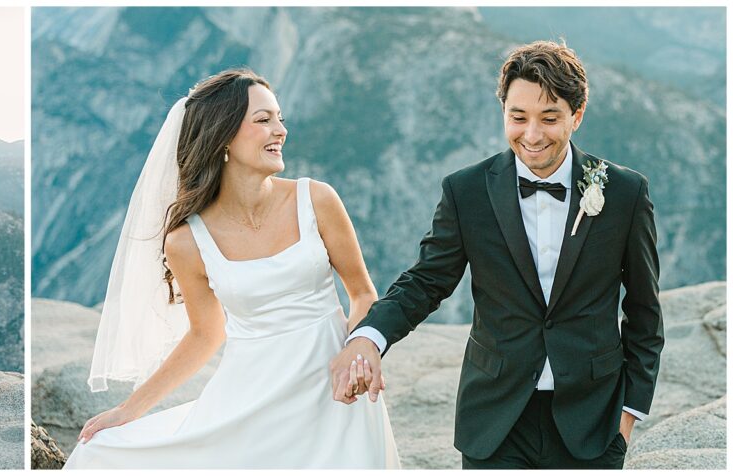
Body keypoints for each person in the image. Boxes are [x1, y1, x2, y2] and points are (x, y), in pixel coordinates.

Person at [332, 40, 663, 469]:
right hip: (494, 421)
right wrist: (368, 338)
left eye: (549, 118)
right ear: (503, 112)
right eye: (518, 117)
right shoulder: (465, 191)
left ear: (576, 116)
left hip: (593, 419)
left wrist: (628, 414)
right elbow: (426, 281)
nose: (532, 135)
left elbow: (644, 311)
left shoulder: (624, 192)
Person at [64, 69, 400, 469]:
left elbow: (362, 293)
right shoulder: (187, 241)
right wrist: (129, 410)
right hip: (248, 398)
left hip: (334, 389)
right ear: (222, 136)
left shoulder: (317, 199)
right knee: (99, 455)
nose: (280, 130)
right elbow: (206, 334)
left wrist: (355, 355)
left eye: (279, 118)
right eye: (263, 120)